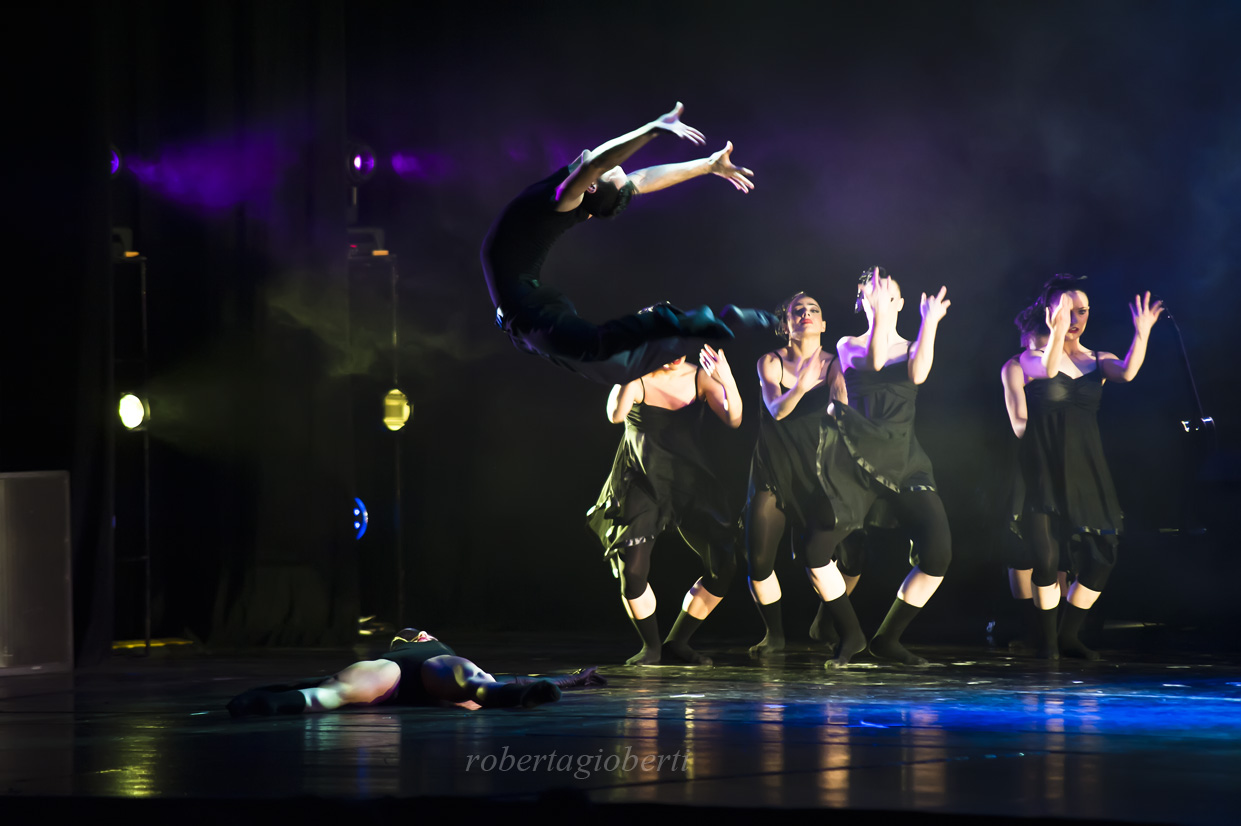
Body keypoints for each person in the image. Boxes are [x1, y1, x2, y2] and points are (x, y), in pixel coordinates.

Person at [481, 102, 771, 385]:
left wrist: (652, 130)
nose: (621, 166)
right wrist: (706, 166)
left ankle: (671, 320)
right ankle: (717, 325)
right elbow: (641, 178)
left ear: (591, 184)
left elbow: (599, 163)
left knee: (598, 347)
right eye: (618, 168)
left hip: (526, 309)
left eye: (613, 168)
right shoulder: (579, 201)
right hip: (521, 319)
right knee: (616, 369)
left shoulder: (562, 200)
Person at [811, 267, 954, 667]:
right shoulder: (847, 344)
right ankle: (847, 631)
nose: (878, 295)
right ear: (861, 302)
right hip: (858, 459)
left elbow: (918, 373)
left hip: (905, 459)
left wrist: (930, 323)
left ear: (901, 301)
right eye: (870, 292)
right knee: (816, 548)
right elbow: (874, 360)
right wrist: (879, 315)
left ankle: (887, 638)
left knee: (938, 555)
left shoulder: (912, 344)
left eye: (886, 291)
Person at [1018, 274, 1163, 659]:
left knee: (1103, 556)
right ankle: (1047, 642)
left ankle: (1068, 634)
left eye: (1082, 310)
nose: (1076, 317)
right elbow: (1048, 371)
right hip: (1046, 466)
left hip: (1088, 469)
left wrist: (1142, 332)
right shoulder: (1029, 359)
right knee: (1047, 561)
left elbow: (1128, 371)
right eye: (1067, 310)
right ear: (1049, 314)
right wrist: (1056, 332)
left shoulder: (1098, 360)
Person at [588, 344, 742, 665]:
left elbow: (733, 419)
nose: (674, 352)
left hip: (689, 480)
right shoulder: (637, 379)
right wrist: (632, 369)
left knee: (723, 566)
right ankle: (652, 647)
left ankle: (678, 642)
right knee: (633, 571)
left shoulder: (699, 377)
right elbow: (616, 415)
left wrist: (727, 380)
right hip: (641, 479)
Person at [742, 292, 866, 659]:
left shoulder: (835, 364)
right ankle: (774, 634)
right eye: (799, 310)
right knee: (759, 561)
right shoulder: (770, 362)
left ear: (824, 324)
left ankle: (827, 622)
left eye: (814, 310)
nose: (807, 313)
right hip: (775, 469)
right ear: (786, 325)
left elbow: (844, 411)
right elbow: (776, 410)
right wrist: (800, 384)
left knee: (850, 556)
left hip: (822, 471)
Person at [226, 629, 604, 716]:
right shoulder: (434, 650)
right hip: (435, 678)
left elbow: (318, 682)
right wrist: (570, 679)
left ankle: (265, 704)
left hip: (391, 678)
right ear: (424, 636)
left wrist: (270, 688)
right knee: (480, 685)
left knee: (326, 694)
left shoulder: (390, 659)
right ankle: (502, 699)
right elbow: (518, 679)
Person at [998, 305, 1068, 650]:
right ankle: (1030, 628)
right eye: (1044, 333)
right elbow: (1019, 423)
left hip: (1066, 461)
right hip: (1029, 462)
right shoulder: (1016, 366)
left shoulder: (1068, 363)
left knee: (1059, 545)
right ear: (1029, 336)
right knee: (1026, 545)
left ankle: (1055, 629)